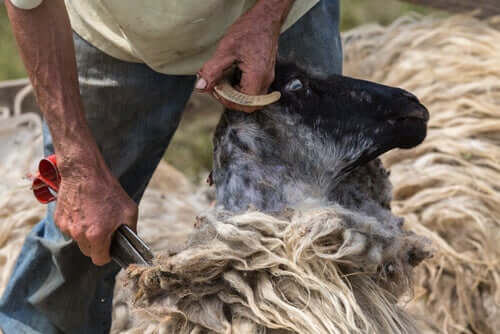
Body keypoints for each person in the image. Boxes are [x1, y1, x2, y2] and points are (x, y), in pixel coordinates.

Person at [0, 0, 342, 332]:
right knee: (83, 236)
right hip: (114, 33)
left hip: (282, 16)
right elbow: (29, 4)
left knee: (310, 234)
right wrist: (76, 164)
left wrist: (269, 15)